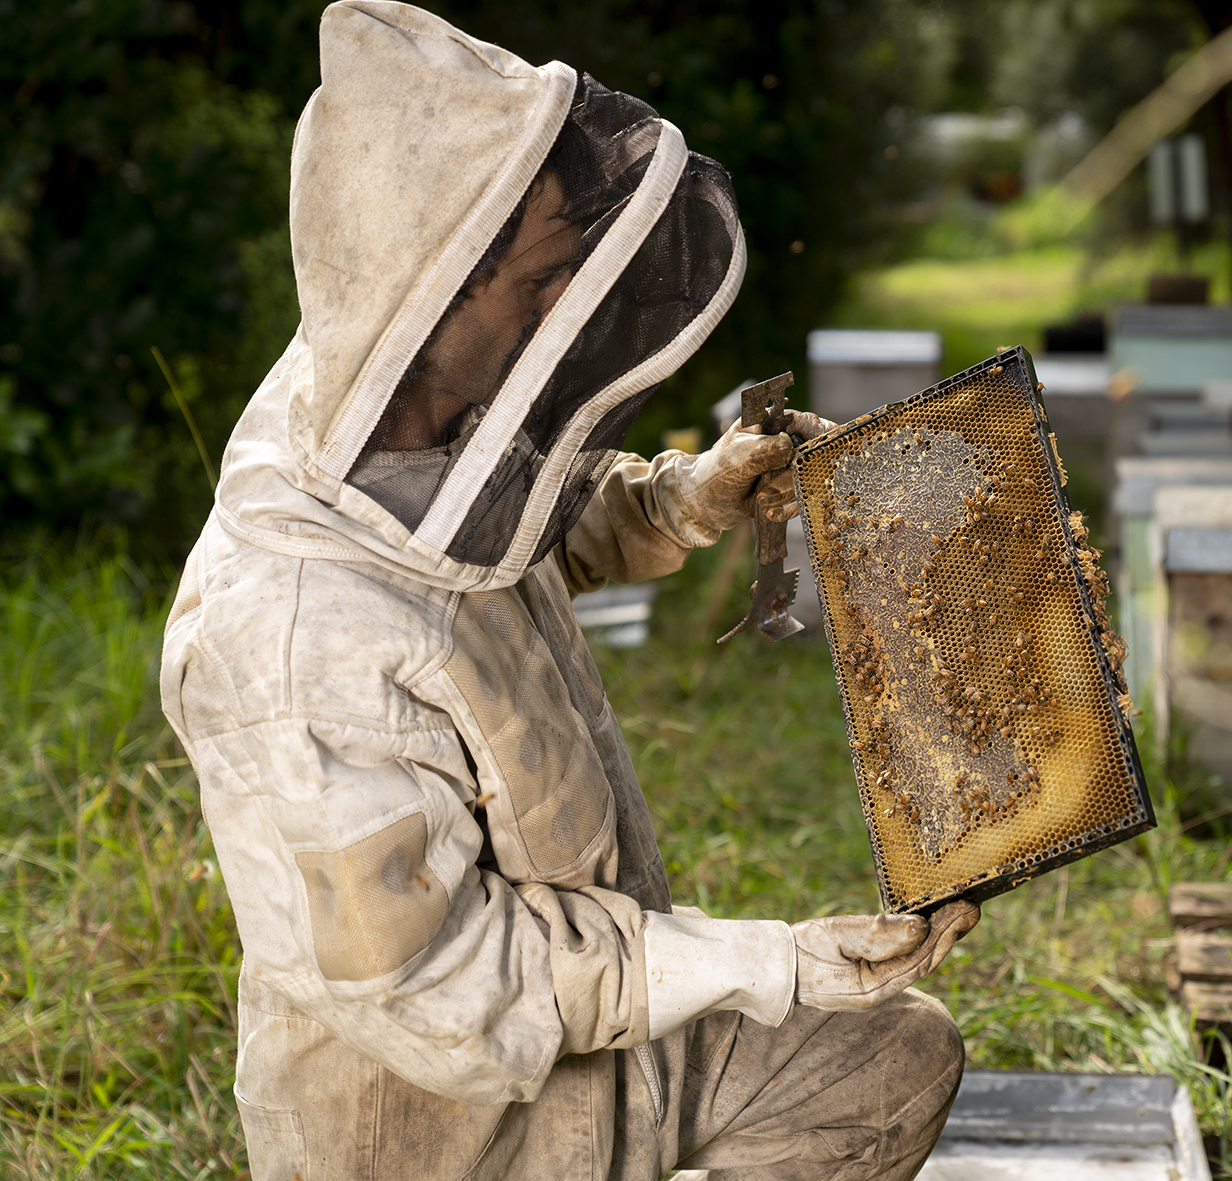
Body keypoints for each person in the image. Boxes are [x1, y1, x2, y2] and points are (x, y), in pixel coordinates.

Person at [158, 4, 978, 1178]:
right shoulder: (294, 643)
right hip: (441, 1128)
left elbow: (500, 537)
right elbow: (435, 983)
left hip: (608, 1029)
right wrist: (759, 959)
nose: (565, 310)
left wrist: (684, 498)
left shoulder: (394, 413)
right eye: (544, 278)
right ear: (433, 292)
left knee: (887, 1059)